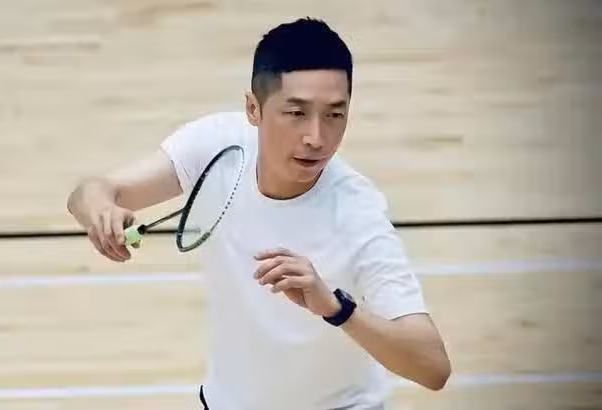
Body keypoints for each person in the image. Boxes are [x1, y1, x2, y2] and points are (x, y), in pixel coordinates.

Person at [67, 17, 450, 410]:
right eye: (296, 113)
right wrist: (100, 211)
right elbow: (91, 191)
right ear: (253, 108)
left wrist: (336, 308)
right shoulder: (217, 145)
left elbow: (433, 367)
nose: (316, 138)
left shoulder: (358, 212)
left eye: (335, 115)